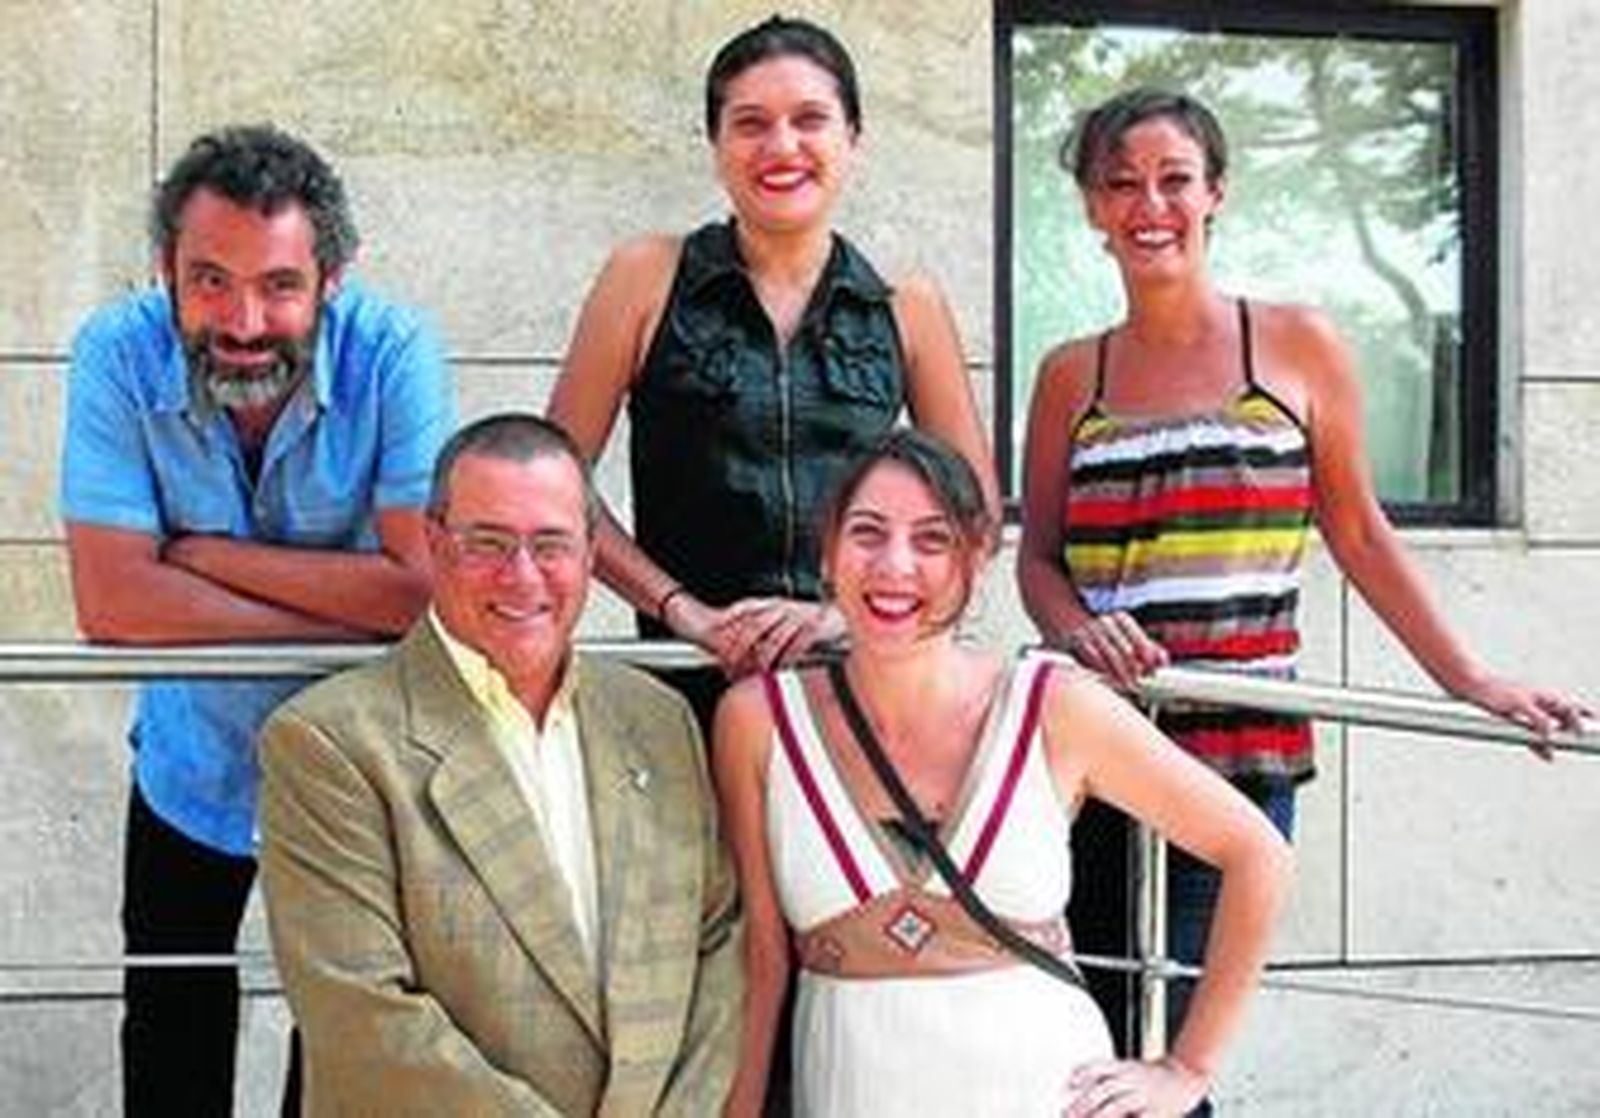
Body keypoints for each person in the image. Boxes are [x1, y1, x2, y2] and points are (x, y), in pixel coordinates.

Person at [1016, 87, 1592, 1071]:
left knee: (1180, 1043)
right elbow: (1038, 559)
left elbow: (1360, 532)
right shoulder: (1073, 372)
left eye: (1173, 180)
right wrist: (1079, 630)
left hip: (1239, 745)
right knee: (1093, 1036)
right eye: (1120, 184)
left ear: (1216, 194)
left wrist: (1471, 681)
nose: (1148, 204)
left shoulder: (1296, 344)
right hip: (1095, 746)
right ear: (1090, 208)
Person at [714, 429, 1291, 1117]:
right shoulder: (758, 721)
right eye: (868, 533)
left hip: (1041, 1086)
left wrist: (1187, 1066)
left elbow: (1257, 851)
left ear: (976, 558)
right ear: (829, 552)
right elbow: (763, 958)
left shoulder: (1053, 705)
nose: (896, 566)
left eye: (932, 540)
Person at [59, 124, 455, 1116]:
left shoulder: (395, 351)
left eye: (279, 284)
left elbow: (420, 592)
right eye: (209, 280)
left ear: (331, 278)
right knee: (169, 1022)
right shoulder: (115, 351)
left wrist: (202, 557)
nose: (242, 319)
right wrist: (346, 599)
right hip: (191, 761)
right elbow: (111, 600)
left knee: (339, 1036)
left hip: (349, 767)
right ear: (165, 272)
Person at [258, 413, 743, 1115]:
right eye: (487, 543)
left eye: (551, 544)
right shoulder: (328, 744)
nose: (522, 577)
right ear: (434, 543)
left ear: (589, 553)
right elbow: (361, 1016)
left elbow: (719, 944)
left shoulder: (659, 720)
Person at [547, 14, 997, 733]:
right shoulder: (645, 277)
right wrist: (682, 612)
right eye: (750, 123)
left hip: (861, 687)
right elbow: (551, 486)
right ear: (717, 145)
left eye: (810, 120)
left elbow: (975, 515)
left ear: (853, 138)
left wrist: (838, 615)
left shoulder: (906, 305)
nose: (782, 146)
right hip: (688, 686)